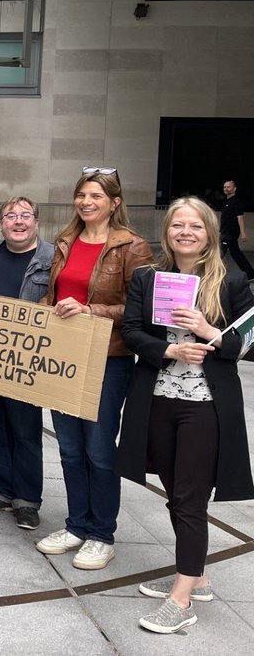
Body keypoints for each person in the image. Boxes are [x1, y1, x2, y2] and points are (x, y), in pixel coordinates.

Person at [119, 198, 254, 633]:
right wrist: (170, 349)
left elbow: (248, 346)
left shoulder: (232, 280)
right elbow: (132, 331)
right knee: (176, 493)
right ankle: (198, 575)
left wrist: (208, 331)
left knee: (191, 500)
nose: (185, 231)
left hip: (206, 407)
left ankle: (181, 600)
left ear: (209, 232)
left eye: (196, 225)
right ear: (168, 232)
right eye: (178, 224)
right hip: (158, 400)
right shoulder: (149, 277)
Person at [36, 168, 153, 569]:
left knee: (99, 448)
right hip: (61, 356)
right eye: (81, 195)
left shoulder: (133, 247)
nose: (86, 202)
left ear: (115, 203)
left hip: (107, 358)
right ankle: (76, 524)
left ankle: (102, 533)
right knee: (69, 447)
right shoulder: (66, 241)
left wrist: (90, 310)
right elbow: (54, 294)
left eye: (96, 197)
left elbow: (142, 309)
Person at [0, 196, 55, 530]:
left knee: (25, 431)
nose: (18, 222)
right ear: (1, 223)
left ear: (36, 221)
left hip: (26, 361)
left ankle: (28, 500)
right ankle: (2, 491)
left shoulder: (51, 258)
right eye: (10, 216)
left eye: (25, 216)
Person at [218, 179, 253, 280]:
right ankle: (250, 274)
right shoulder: (226, 202)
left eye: (228, 187)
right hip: (225, 232)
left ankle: (206, 273)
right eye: (224, 187)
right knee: (236, 254)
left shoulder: (236, 202)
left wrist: (243, 233)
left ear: (234, 189)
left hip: (230, 233)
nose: (226, 189)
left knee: (219, 253)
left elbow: (240, 218)